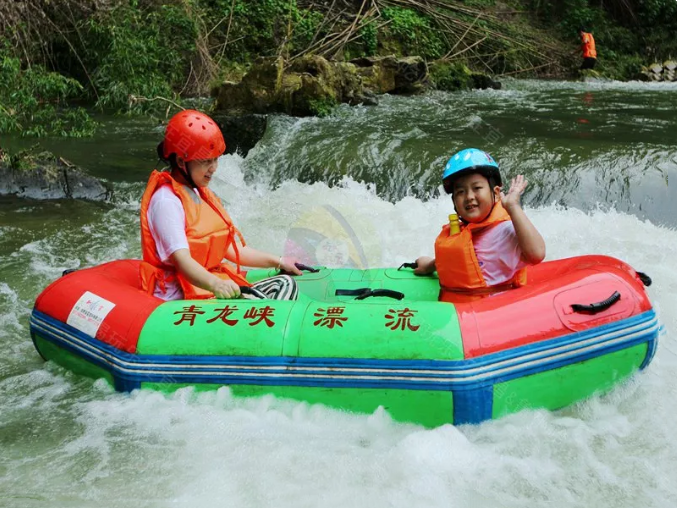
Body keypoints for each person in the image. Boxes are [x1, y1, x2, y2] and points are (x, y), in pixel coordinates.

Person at [139, 109, 302, 301]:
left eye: (216, 159)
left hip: (205, 286)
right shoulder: (166, 202)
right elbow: (182, 261)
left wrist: (279, 261)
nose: (214, 168)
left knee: (282, 281)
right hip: (179, 297)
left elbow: (230, 250)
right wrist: (217, 284)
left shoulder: (199, 193)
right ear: (182, 161)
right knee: (284, 287)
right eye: (206, 161)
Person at [414, 148, 545, 303]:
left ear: (496, 193)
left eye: (477, 188)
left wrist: (513, 207)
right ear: (454, 201)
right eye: (461, 192)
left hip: (493, 310)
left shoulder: (506, 230)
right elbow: (452, 260)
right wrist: (427, 266)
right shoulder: (460, 234)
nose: (469, 197)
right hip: (458, 310)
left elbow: (537, 254)